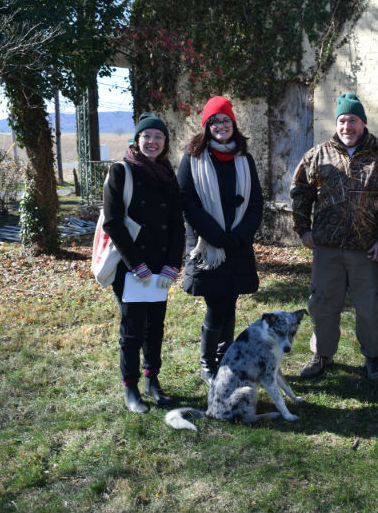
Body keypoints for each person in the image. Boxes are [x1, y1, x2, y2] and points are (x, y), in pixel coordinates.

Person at [290, 92, 378, 380]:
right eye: (342, 120)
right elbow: (300, 193)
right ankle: (322, 355)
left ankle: (374, 358)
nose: (347, 126)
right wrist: (303, 229)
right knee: (323, 305)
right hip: (327, 249)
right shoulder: (317, 155)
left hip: (367, 250)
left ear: (363, 123)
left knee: (372, 307)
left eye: (353, 120)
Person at [177, 96, 264, 385]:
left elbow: (255, 204)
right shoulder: (192, 159)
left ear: (233, 124)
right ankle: (208, 364)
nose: (220, 126)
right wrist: (215, 234)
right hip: (208, 245)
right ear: (206, 126)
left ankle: (225, 359)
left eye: (225, 120)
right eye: (214, 121)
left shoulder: (244, 159)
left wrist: (239, 236)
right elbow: (186, 201)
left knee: (231, 303)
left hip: (237, 245)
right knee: (217, 306)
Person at [102, 113, 185, 413]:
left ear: (165, 143)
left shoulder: (167, 174)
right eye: (147, 136)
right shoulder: (121, 171)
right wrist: (136, 264)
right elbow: (113, 223)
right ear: (137, 140)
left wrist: (172, 264)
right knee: (133, 329)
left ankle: (152, 380)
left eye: (158, 137)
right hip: (130, 267)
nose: (152, 142)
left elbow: (177, 223)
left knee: (156, 327)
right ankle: (131, 388)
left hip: (160, 267)